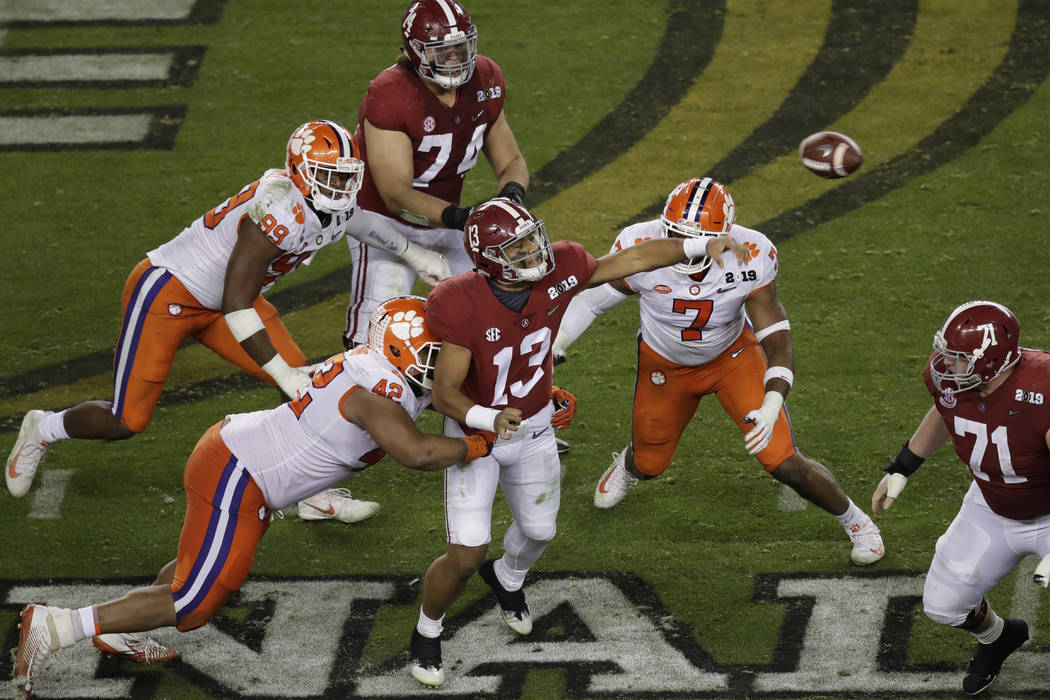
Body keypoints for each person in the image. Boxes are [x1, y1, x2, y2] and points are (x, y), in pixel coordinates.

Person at [12, 296, 497, 700]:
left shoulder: (381, 370)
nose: (444, 366)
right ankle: (57, 626)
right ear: (398, 351)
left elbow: (444, 396)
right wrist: (484, 439)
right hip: (238, 473)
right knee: (194, 603)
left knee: (198, 569)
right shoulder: (375, 392)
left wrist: (513, 404)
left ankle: (122, 628)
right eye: (434, 355)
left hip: (244, 464)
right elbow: (417, 453)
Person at [407, 196, 749, 687]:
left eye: (532, 239)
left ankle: (507, 579)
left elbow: (630, 261)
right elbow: (444, 393)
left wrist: (697, 245)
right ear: (487, 258)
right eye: (517, 247)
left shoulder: (558, 270)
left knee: (540, 532)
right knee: (465, 556)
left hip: (535, 427)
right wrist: (489, 416)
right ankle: (427, 630)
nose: (533, 252)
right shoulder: (459, 301)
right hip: (475, 436)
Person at [3, 119, 382, 528]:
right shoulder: (277, 210)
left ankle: (311, 494)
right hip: (170, 293)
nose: (339, 187)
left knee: (302, 388)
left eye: (344, 177)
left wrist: (417, 253)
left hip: (226, 302)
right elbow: (236, 301)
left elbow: (359, 224)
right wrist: (283, 373)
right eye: (329, 176)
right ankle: (43, 427)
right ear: (301, 173)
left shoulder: (321, 206)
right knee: (125, 420)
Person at [552, 177, 885, 567]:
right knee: (650, 463)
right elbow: (591, 301)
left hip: (733, 358)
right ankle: (628, 464)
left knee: (781, 458)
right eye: (674, 235)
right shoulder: (639, 245)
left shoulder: (753, 251)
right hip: (665, 364)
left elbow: (777, 337)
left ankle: (857, 522)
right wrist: (556, 345)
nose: (683, 251)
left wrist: (773, 399)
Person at [872, 300, 1047, 696]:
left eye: (957, 358)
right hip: (991, 504)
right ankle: (998, 637)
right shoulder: (955, 382)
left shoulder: (1043, 389)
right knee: (943, 604)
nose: (945, 365)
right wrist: (903, 466)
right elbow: (945, 411)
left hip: (1048, 514)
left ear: (991, 360)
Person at [340, 0, 529, 351]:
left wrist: (511, 197)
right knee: (374, 334)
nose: (456, 59)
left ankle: (477, 401)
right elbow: (395, 194)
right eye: (443, 52)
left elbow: (511, 161)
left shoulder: (486, 77)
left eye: (460, 48)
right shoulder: (391, 92)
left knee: (491, 319)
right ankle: (331, 399)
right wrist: (463, 217)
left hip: (446, 221)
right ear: (415, 52)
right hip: (384, 223)